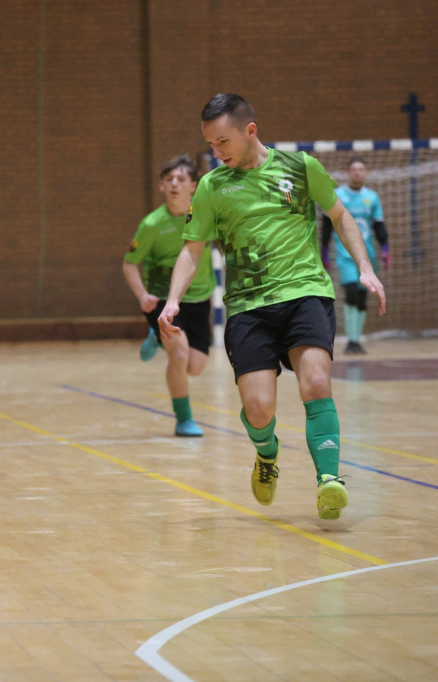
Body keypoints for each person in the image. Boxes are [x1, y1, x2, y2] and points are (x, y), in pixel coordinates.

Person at [158, 94, 386, 520]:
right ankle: (267, 455)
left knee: (315, 381)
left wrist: (365, 268)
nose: (215, 152)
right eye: (210, 144)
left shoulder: (300, 168)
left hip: (305, 293)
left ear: (250, 131)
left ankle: (329, 481)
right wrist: (173, 300)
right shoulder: (211, 186)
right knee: (259, 409)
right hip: (248, 306)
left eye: (222, 141)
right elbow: (193, 248)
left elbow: (339, 215)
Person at [122, 154, 214, 437]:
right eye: (169, 179)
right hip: (163, 299)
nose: (174, 184)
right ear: (162, 186)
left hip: (199, 297)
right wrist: (142, 296)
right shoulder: (152, 224)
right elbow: (129, 263)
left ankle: (156, 340)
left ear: (193, 186)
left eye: (181, 179)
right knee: (180, 354)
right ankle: (184, 420)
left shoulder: (206, 216)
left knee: (195, 367)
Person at [320, 157, 388, 354]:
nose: (358, 173)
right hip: (345, 255)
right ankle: (351, 339)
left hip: (367, 256)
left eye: (361, 169)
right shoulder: (338, 195)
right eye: (354, 169)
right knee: (350, 291)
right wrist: (324, 250)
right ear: (348, 172)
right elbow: (326, 225)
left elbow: (379, 226)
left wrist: (385, 248)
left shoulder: (372, 197)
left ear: (365, 172)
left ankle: (356, 340)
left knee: (361, 296)